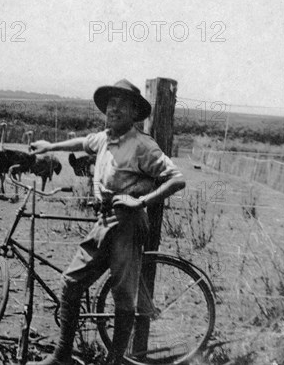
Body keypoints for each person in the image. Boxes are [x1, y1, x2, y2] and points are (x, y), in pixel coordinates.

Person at [28, 79, 186, 365]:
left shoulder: (142, 146)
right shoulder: (105, 138)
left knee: (123, 297)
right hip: (103, 223)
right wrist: (51, 145)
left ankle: (115, 362)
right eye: (111, 103)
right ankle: (61, 356)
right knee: (71, 282)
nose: (114, 109)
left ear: (134, 112)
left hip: (127, 227)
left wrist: (141, 202)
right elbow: (83, 142)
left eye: (122, 104)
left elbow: (177, 178)